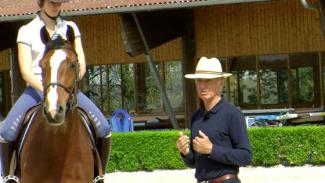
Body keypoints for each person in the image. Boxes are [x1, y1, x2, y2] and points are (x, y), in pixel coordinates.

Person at [0, 0, 111, 179]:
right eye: (52, 2)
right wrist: (47, 91)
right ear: (42, 3)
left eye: (59, 3)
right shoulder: (27, 31)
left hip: (67, 89)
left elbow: (81, 65)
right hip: (37, 88)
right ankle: (10, 177)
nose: (56, 6)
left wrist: (68, 88)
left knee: (104, 128)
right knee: (6, 132)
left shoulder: (71, 28)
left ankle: (99, 175)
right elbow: (26, 71)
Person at [176, 57, 252, 183]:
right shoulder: (196, 117)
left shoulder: (232, 114)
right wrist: (185, 152)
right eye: (199, 80)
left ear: (220, 82)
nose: (202, 85)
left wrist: (212, 150)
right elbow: (195, 163)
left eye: (208, 80)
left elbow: (246, 156)